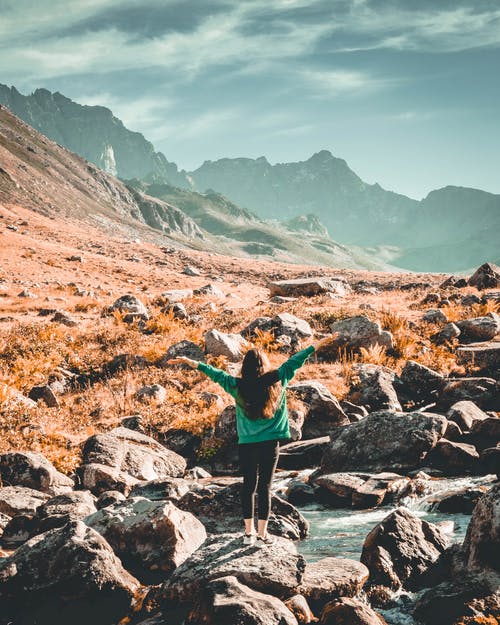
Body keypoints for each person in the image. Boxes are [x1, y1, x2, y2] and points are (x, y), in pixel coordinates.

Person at [168, 339, 324, 547]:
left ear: (245, 367)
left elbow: (215, 374)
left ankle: (248, 534)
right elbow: (295, 360)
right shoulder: (278, 380)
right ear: (264, 364)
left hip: (247, 445)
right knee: (265, 488)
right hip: (270, 444)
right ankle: (262, 535)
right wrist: (317, 344)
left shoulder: (236, 386)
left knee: (248, 486)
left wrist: (192, 362)